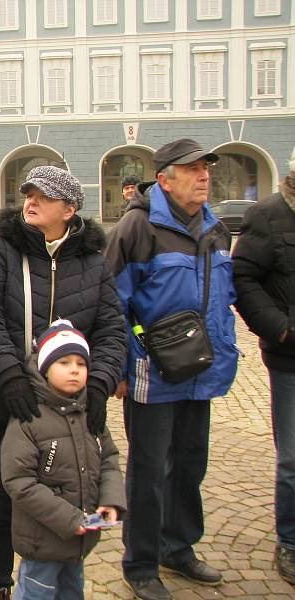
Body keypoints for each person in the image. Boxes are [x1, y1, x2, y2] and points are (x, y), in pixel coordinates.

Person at [0, 165, 126, 600]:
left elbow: (112, 329)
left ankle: (56, 581)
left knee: (62, 499)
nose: (30, 202)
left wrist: (99, 385)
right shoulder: (0, 251)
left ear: (69, 210)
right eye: (28, 193)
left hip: (66, 407)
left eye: (43, 197)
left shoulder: (92, 262)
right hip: (1, 398)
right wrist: (10, 375)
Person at [104, 138, 239, 600]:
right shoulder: (136, 228)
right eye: (193, 169)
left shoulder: (215, 228)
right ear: (165, 179)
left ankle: (177, 546)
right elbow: (112, 305)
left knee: (189, 463)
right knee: (148, 469)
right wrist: (119, 367)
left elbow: (224, 299)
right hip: (151, 371)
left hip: (200, 370)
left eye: (206, 168)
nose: (203, 175)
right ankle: (140, 562)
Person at [1, 319, 126, 600]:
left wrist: (111, 500)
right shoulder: (29, 420)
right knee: (36, 594)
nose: (74, 370)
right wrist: (69, 519)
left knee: (72, 592)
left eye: (81, 364)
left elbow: (109, 459)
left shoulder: (89, 414)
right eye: (64, 363)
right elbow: (19, 481)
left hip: (80, 539)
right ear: (45, 370)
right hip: (42, 540)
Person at [232, 146, 295, 585]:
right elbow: (244, 278)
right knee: (293, 459)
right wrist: (279, 329)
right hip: (290, 356)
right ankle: (290, 541)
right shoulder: (268, 215)